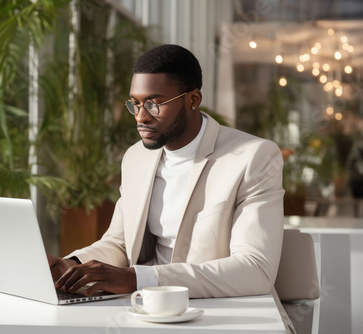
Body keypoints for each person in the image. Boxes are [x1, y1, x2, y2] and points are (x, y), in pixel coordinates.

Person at [49, 44, 290, 331]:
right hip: (146, 311)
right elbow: (119, 243)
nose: (141, 116)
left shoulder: (253, 157)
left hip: (224, 313)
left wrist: (139, 278)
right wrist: (72, 265)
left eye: (153, 103)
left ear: (192, 99)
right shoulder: (136, 157)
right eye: (135, 104)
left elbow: (255, 269)